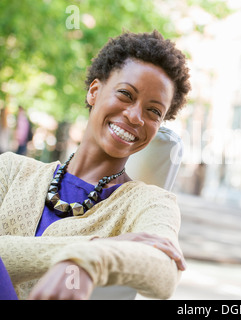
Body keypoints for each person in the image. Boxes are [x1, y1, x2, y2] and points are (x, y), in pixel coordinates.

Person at [0, 30, 191, 300]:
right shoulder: (10, 170)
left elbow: (166, 269)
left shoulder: (150, 202)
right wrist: (95, 244)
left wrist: (90, 259)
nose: (135, 116)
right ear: (94, 91)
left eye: (153, 111)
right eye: (126, 94)